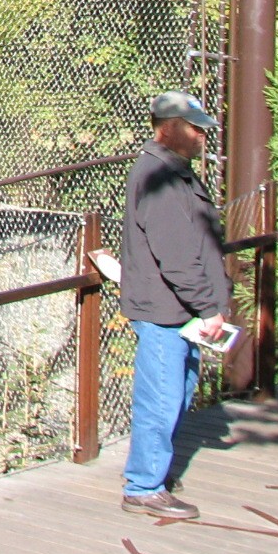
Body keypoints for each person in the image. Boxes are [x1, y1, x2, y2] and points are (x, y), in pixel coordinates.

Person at [119, 90, 229, 521]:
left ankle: (154, 474)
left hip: (179, 312)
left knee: (177, 395)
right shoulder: (158, 176)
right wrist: (208, 306)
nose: (204, 134)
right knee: (161, 399)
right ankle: (143, 486)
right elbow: (177, 254)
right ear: (167, 128)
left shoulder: (177, 172)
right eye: (195, 127)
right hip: (165, 312)